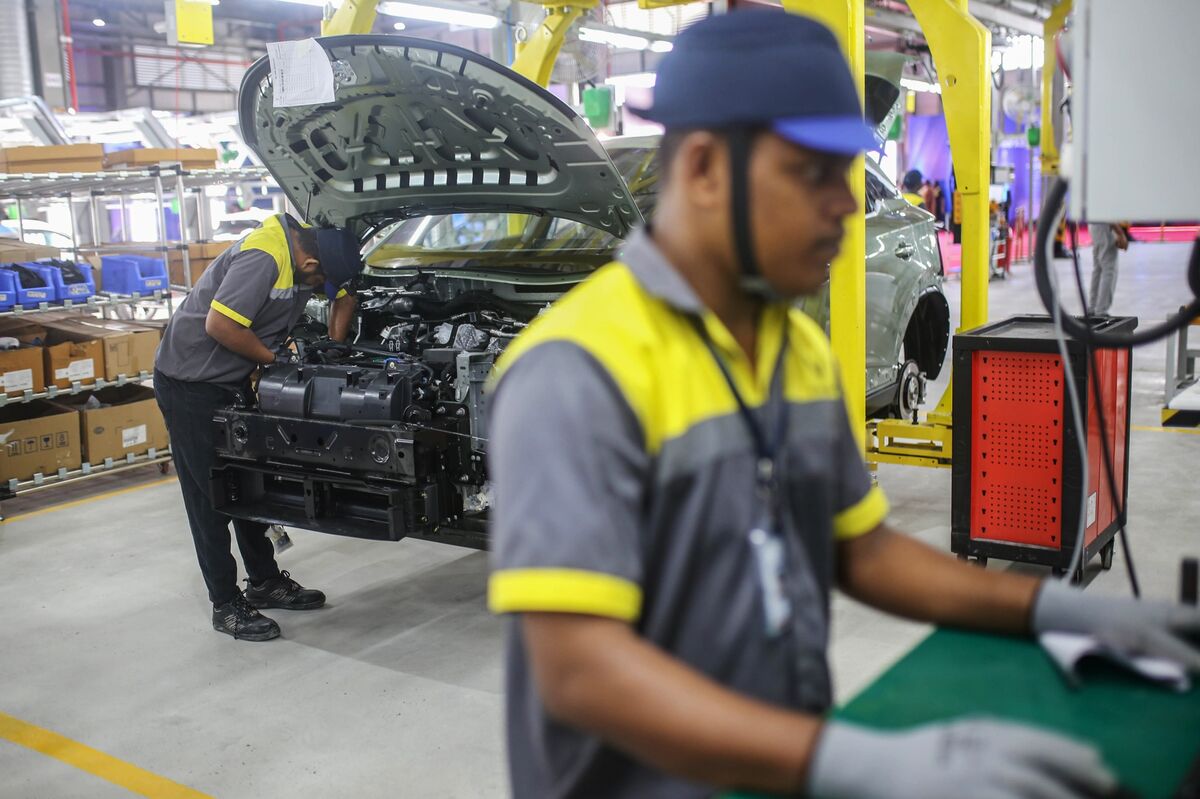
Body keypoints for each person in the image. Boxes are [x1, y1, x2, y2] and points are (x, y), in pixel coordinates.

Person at [484, 11, 1200, 799]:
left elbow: (861, 550)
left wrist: (1054, 610)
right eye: (813, 173)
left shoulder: (795, 348)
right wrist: (849, 760)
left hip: (776, 765)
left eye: (851, 172)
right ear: (705, 168)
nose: (848, 206)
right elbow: (579, 671)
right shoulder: (577, 373)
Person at [155, 212, 363, 641]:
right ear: (310, 265)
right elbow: (220, 324)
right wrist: (274, 359)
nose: (318, 290)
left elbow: (344, 299)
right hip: (190, 382)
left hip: (232, 380)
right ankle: (225, 603)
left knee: (248, 485)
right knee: (210, 495)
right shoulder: (264, 256)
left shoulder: (319, 254)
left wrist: (334, 350)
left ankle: (265, 581)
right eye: (317, 283)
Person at [1087, 221, 1128, 315]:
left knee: (1098, 269)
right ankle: (1101, 310)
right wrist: (1120, 233)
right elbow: (1108, 214)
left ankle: (1093, 307)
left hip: (1094, 224)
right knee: (1108, 269)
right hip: (1105, 226)